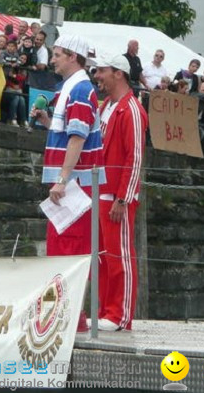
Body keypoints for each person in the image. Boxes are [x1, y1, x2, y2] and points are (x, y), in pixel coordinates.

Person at [30, 35, 105, 331]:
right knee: (64, 245)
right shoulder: (73, 90)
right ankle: (69, 312)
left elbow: (78, 137)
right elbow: (70, 132)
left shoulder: (80, 90)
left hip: (77, 183)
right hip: (76, 180)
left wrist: (62, 179)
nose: (53, 59)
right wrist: (49, 122)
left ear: (73, 56)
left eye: (58, 54)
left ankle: (72, 314)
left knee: (70, 247)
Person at [92, 53, 147, 331]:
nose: (97, 76)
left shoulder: (132, 109)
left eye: (101, 71)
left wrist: (123, 197)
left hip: (117, 195)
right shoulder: (107, 106)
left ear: (118, 73)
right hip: (102, 191)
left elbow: (135, 157)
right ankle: (105, 310)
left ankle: (120, 315)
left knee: (120, 256)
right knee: (103, 256)